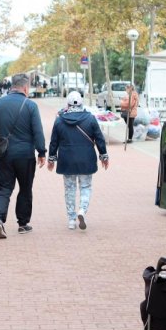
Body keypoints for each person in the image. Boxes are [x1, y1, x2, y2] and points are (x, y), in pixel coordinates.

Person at [0, 73, 46, 237]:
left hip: (5, 154)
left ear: (12, 86)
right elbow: (38, 131)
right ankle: (23, 224)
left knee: (4, 188)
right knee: (25, 188)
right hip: (26, 155)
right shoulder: (31, 106)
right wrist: (41, 151)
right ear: (25, 88)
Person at [47, 92, 108, 230]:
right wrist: (104, 156)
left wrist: (51, 158)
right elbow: (99, 138)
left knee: (69, 189)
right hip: (86, 159)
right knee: (85, 187)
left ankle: (71, 220)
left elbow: (53, 142)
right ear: (81, 103)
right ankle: (82, 210)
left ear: (67, 104)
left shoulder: (59, 120)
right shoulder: (90, 118)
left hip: (67, 160)